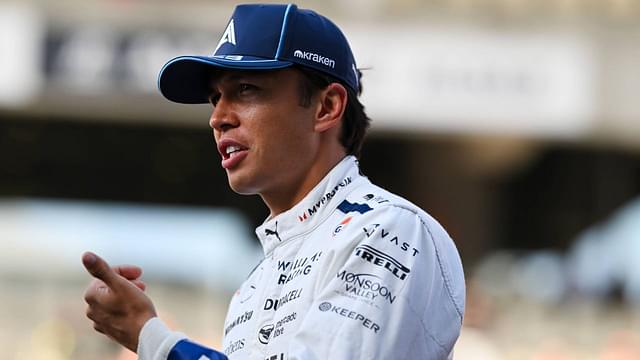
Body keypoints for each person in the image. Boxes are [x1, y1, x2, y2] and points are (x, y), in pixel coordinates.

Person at [82, 3, 466, 359]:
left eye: (246, 89)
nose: (218, 117)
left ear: (327, 107)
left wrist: (152, 338)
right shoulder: (254, 283)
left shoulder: (389, 229)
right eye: (215, 97)